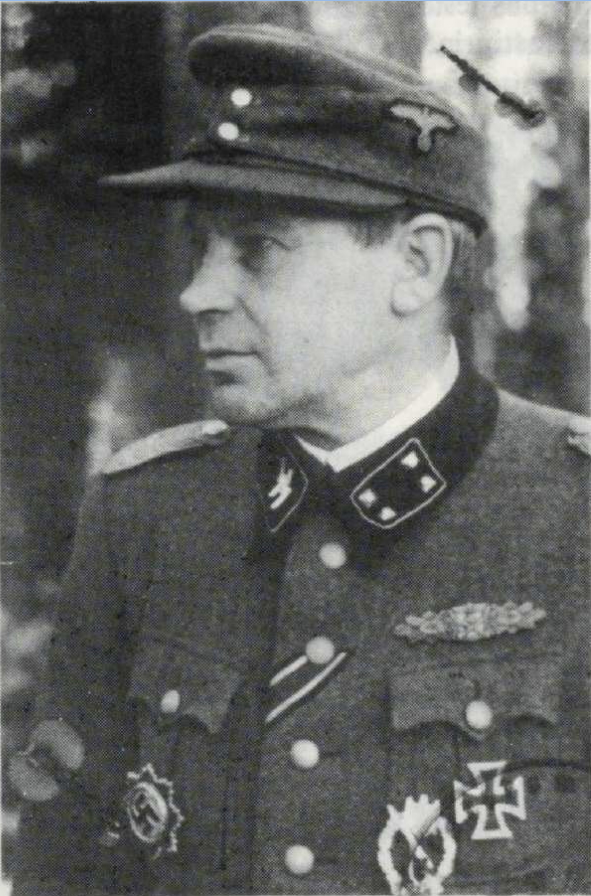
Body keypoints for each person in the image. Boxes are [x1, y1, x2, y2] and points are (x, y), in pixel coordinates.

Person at [10, 23, 590, 896]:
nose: (198, 292)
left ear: (417, 263)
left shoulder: (571, 509)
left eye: (258, 249)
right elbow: (68, 866)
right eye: (201, 247)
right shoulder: (146, 514)